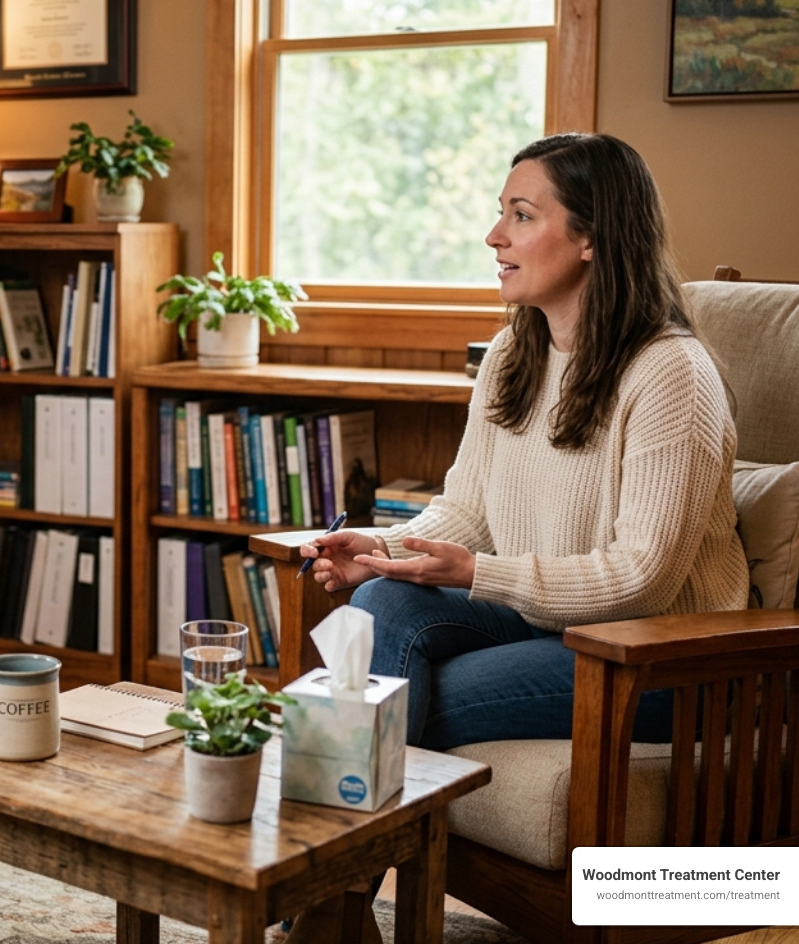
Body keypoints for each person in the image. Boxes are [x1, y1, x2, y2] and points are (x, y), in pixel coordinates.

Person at [299, 132, 748, 751]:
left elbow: (643, 578)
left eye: (522, 216)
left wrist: (478, 572)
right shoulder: (513, 352)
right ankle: (352, 799)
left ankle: (345, 803)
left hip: (662, 656)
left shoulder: (671, 373)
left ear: (592, 238)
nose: (494, 236)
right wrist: (384, 548)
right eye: (501, 213)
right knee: (383, 600)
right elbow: (470, 512)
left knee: (392, 699)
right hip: (544, 624)